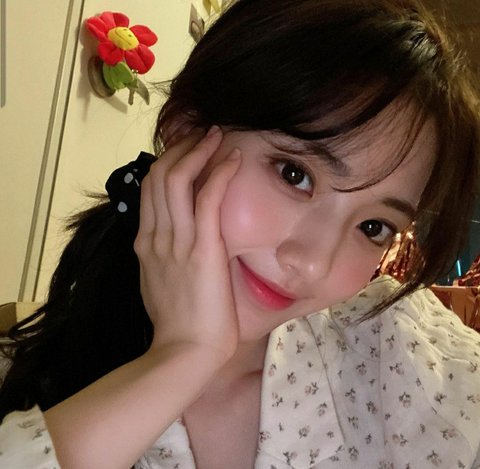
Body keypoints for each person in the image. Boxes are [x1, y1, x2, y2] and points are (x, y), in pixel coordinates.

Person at [1, 0, 480, 467]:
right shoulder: (35, 384)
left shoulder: (395, 346)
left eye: (372, 227)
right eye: (294, 174)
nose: (313, 263)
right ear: (184, 131)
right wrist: (182, 357)